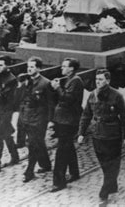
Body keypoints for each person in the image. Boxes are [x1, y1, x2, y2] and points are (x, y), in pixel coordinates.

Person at [78, 69, 125, 205]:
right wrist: (81, 133)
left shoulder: (116, 96)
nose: (98, 82)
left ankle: (104, 192)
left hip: (113, 134)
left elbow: (124, 116)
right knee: (103, 161)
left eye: (101, 80)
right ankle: (112, 184)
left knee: (112, 163)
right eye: (97, 80)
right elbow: (86, 115)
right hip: (97, 133)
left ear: (108, 81)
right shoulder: (92, 95)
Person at [50, 58, 84, 192]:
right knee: (68, 146)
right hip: (64, 119)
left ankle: (59, 182)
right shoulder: (70, 80)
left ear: (71, 69)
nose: (61, 68)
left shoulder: (75, 81)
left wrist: (57, 88)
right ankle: (74, 172)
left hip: (69, 121)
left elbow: (68, 99)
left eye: (64, 66)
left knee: (62, 151)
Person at [19, 56, 53, 183]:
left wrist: (50, 121)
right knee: (38, 143)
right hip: (28, 118)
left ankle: (29, 171)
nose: (29, 69)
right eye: (28, 67)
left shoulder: (45, 83)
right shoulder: (27, 82)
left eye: (32, 67)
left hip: (39, 119)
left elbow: (50, 104)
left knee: (32, 144)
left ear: (38, 68)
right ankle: (46, 164)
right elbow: (23, 99)